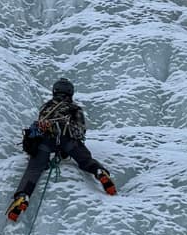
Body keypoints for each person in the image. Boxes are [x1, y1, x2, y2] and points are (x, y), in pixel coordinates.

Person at [7, 78, 117, 221]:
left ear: (55, 91)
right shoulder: (74, 109)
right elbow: (80, 132)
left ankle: (23, 195)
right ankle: (99, 171)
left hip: (45, 143)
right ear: (70, 93)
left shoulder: (46, 108)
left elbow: (40, 127)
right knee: (85, 159)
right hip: (68, 140)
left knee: (34, 169)